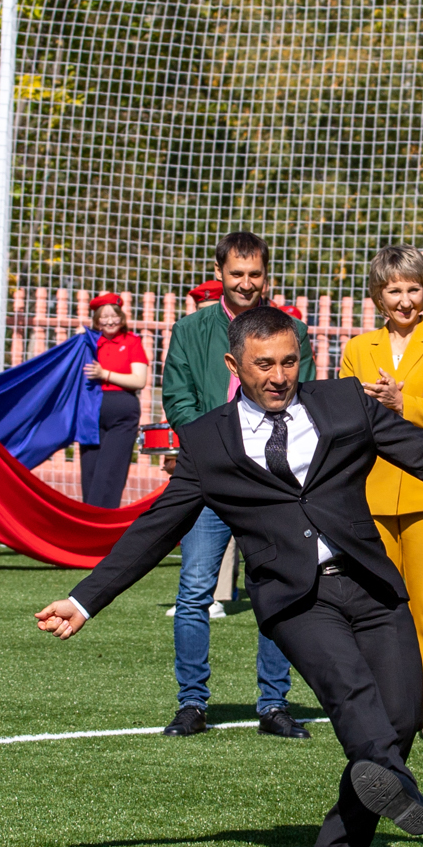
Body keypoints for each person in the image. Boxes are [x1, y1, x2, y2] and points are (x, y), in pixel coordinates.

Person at [37, 304, 423, 847]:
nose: (278, 376)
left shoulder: (345, 403)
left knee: (402, 717)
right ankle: (391, 781)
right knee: (350, 690)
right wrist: (85, 600)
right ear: (235, 366)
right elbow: (153, 531)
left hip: (371, 582)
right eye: (263, 365)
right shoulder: (206, 443)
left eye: (288, 361)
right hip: (296, 599)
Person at [154, 234, 310, 737]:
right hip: (209, 482)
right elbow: (176, 396)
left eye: (255, 274)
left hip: (271, 483)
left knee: (277, 591)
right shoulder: (191, 329)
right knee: (195, 590)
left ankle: (273, 704)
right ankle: (193, 703)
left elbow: (296, 396)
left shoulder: (291, 331)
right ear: (220, 273)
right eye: (237, 273)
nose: (246, 283)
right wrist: (213, 452)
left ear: (268, 276)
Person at [338, 247, 423, 748]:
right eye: (394, 290)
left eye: (413, 288)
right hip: (370, 495)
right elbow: (341, 415)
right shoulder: (358, 348)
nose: (405, 299)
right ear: (378, 295)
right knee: (377, 608)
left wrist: (404, 403)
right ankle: (386, 707)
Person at [79, 291, 150, 509]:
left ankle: (100, 527)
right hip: (91, 413)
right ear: (97, 320)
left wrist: (105, 374)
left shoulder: (132, 342)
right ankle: (87, 524)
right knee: (90, 474)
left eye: (115, 315)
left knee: (109, 474)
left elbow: (139, 380)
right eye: (104, 316)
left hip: (122, 415)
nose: (110, 320)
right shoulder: (87, 343)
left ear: (122, 317)